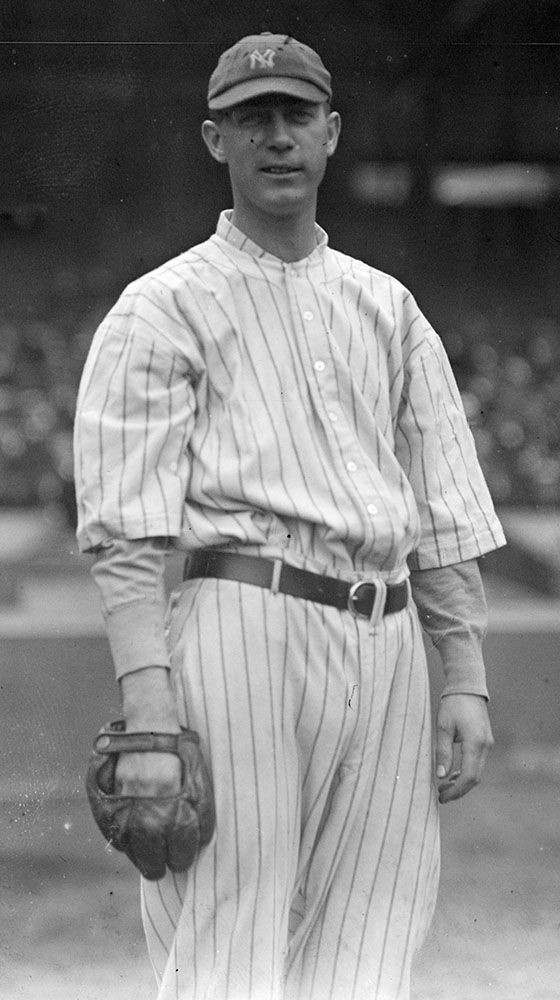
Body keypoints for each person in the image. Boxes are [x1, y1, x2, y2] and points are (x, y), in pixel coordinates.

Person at [74, 32, 506, 1000]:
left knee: (375, 933)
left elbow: (441, 504)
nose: (277, 138)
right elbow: (127, 533)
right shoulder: (162, 306)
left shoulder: (385, 305)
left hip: (387, 637)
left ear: (331, 132)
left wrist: (465, 677)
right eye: (252, 119)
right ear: (214, 140)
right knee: (229, 932)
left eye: (295, 116)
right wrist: (151, 711)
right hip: (245, 624)